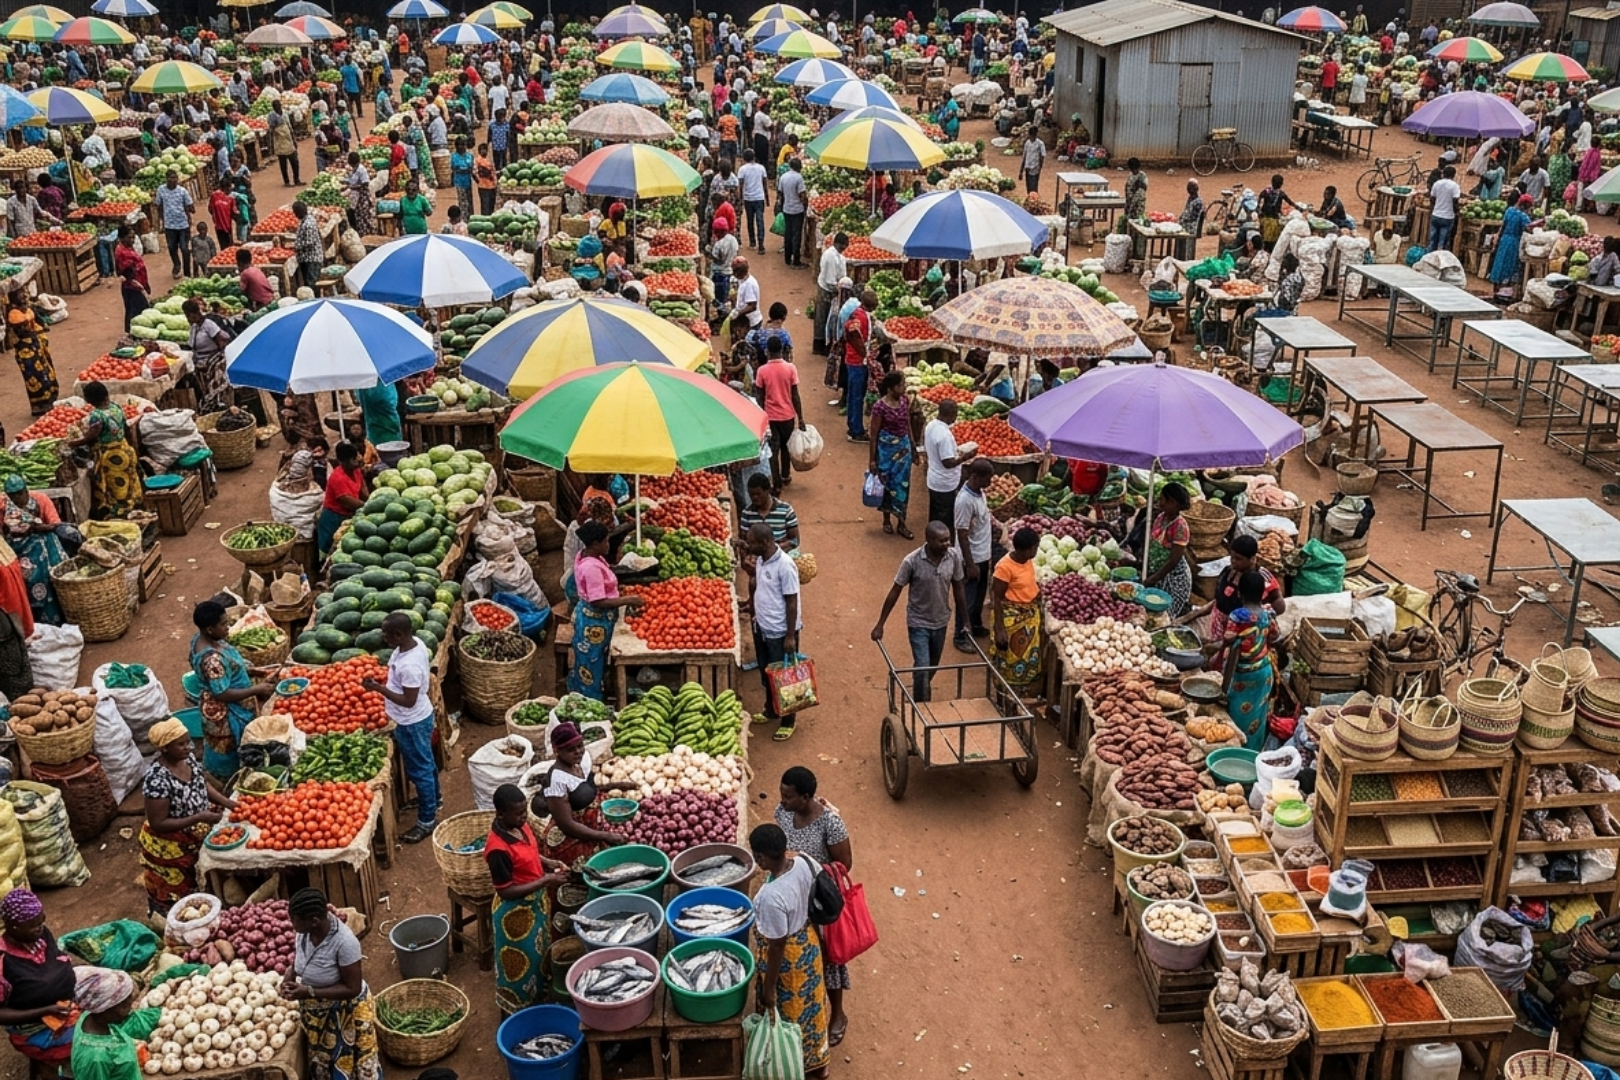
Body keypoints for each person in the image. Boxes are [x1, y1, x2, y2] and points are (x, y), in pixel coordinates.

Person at [773, 768, 855, 1048]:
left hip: (818, 901)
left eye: (788, 796)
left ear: (806, 797)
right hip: (791, 898)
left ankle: (838, 1014)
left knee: (830, 960)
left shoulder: (830, 823)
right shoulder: (783, 813)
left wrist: (806, 864)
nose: (782, 801)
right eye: (782, 794)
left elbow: (844, 865)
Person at [747, 824, 831, 1077]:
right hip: (808, 943)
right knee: (812, 1006)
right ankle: (819, 1061)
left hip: (787, 962)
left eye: (756, 855)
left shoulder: (772, 896)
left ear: (761, 857)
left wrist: (770, 988)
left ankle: (793, 1065)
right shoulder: (802, 862)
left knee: (789, 1014)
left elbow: (777, 944)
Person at [485, 784, 569, 1015]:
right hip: (516, 915)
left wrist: (547, 863)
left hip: (535, 906)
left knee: (538, 958)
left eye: (524, 811)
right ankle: (516, 1011)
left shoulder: (519, 827)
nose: (524, 817)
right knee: (519, 966)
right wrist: (545, 881)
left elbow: (529, 853)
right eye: (519, 813)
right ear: (501, 814)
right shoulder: (497, 849)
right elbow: (506, 891)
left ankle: (538, 1002)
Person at [281, 887, 382, 1080]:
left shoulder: (345, 943)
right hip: (317, 1011)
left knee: (355, 1067)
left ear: (314, 921)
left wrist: (309, 991)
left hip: (345, 1013)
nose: (291, 924)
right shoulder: (304, 933)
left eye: (294, 920)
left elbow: (352, 988)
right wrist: (289, 973)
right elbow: (300, 957)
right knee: (323, 1066)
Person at [139, 717, 234, 915]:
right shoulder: (157, 779)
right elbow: (158, 823)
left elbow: (202, 785)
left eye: (188, 741)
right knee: (179, 890)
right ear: (165, 748)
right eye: (181, 744)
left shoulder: (187, 759)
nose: (188, 747)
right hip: (172, 843)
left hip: (198, 828)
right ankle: (168, 920)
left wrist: (228, 803)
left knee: (203, 876)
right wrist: (198, 817)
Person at [360, 613, 438, 844]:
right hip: (414, 718)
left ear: (399, 634)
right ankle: (435, 799)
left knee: (421, 770)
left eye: (385, 633)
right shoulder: (412, 645)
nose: (382, 637)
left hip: (412, 721)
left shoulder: (410, 666)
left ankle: (426, 821)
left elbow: (408, 700)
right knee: (426, 764)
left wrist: (378, 689)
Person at [871, 520, 967, 701]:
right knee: (923, 666)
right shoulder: (911, 561)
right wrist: (880, 624)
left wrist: (966, 621)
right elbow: (895, 592)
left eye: (948, 539)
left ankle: (920, 687)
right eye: (942, 541)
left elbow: (959, 589)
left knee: (932, 666)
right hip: (918, 622)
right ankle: (922, 707)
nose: (947, 544)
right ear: (929, 540)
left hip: (941, 620)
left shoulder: (953, 557)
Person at [540, 723, 631, 893]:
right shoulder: (557, 780)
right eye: (570, 749)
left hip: (590, 831)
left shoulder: (582, 761)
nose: (578, 752)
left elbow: (587, 789)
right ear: (557, 751)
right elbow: (566, 825)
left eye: (580, 746)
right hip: (570, 841)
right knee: (576, 889)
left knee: (599, 880)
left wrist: (617, 785)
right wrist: (605, 836)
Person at [189, 600, 274, 781]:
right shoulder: (211, 659)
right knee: (228, 749)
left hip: (218, 702)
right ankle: (229, 780)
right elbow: (222, 693)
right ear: (210, 629)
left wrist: (247, 670)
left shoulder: (201, 639)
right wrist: (256, 689)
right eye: (223, 624)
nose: (228, 627)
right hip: (225, 713)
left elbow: (223, 670)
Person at [0, 890, 78, 1071]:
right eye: (33, 925)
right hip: (35, 1026)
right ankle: (54, 1068)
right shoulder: (4, 961)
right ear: (13, 926)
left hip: (67, 1003)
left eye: (41, 921)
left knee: (116, 986)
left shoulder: (40, 935)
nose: (40, 928)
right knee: (91, 1038)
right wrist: (46, 1010)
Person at [568, 520, 646, 700]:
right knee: (592, 662)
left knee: (594, 659)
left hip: (592, 618)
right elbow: (598, 600)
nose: (608, 545)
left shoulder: (589, 556)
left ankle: (588, 690)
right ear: (595, 544)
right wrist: (629, 599)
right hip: (594, 621)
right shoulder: (591, 567)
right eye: (606, 541)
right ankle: (590, 700)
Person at [743, 520, 801, 739]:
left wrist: (789, 636)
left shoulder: (785, 565)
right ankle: (771, 709)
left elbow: (792, 601)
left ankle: (789, 719)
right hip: (762, 626)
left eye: (752, 543)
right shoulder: (761, 559)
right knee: (767, 673)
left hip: (779, 631)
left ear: (766, 541)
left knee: (784, 677)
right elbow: (758, 583)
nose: (750, 546)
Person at [1221, 571, 1280, 753]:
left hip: (1242, 675)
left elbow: (1228, 639)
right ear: (1262, 593)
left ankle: (1234, 753)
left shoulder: (1237, 616)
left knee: (1236, 716)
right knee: (1257, 718)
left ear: (1240, 593)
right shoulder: (1268, 613)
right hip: (1263, 671)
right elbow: (1275, 635)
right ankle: (1252, 756)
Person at [71, 967, 159, 1080]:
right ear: (107, 1008)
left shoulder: (89, 1016)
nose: (131, 1008)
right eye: (125, 1005)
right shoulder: (97, 1058)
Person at [73, 382, 142, 519]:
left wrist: (74, 443)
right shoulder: (116, 407)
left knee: (115, 484)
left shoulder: (97, 416)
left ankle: (120, 512)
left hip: (111, 456)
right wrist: (132, 446)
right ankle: (133, 504)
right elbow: (126, 428)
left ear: (89, 400)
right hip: (124, 449)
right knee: (129, 478)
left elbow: (92, 435)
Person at [1201, 534, 1286, 640]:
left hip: (1240, 633)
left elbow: (1279, 604)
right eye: (1232, 557)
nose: (1233, 561)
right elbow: (1218, 600)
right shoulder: (1228, 571)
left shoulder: (1262, 578)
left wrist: (1261, 619)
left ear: (1252, 559)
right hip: (1218, 626)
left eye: (1238, 559)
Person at [2, 475, 62, 625]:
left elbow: (55, 525)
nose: (17, 499)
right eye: (13, 496)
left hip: (39, 545)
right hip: (17, 550)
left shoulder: (40, 500)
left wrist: (36, 527)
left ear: (26, 491)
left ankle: (53, 617)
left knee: (45, 563)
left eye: (20, 494)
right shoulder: (4, 507)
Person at [990, 525, 1043, 689]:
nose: (1036, 550)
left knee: (1027, 657)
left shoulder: (1026, 561)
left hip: (1028, 617)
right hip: (1013, 620)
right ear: (1028, 549)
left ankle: (1023, 688)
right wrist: (999, 629)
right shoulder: (1004, 567)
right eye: (1035, 547)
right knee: (1011, 658)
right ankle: (1006, 693)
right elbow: (996, 598)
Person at [869, 370, 919, 539]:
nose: (903, 388)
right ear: (890, 389)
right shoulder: (880, 407)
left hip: (903, 451)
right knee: (887, 483)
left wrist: (913, 447)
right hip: (886, 451)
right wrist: (872, 460)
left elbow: (908, 425)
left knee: (902, 485)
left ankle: (902, 523)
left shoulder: (905, 401)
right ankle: (886, 519)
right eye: (900, 385)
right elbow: (874, 435)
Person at [954, 458, 994, 650]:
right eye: (988, 478)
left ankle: (975, 625)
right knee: (967, 598)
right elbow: (961, 533)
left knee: (979, 595)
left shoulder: (980, 492)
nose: (991, 482)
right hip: (971, 557)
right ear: (976, 476)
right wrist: (970, 564)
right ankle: (960, 636)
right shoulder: (965, 501)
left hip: (983, 553)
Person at [1142, 481, 1193, 615]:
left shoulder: (1180, 527)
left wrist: (1153, 579)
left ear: (1173, 502)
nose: (1160, 502)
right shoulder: (1161, 517)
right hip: (1157, 570)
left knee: (1164, 614)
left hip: (1172, 577)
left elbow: (1173, 561)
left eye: (1163, 499)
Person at [923, 399, 975, 527]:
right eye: (955, 414)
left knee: (935, 513)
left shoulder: (931, 426)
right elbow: (948, 463)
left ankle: (932, 537)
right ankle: (940, 543)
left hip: (934, 479)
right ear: (950, 414)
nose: (956, 417)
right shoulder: (944, 435)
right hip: (945, 483)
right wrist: (966, 457)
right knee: (944, 518)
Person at [5, 292, 55, 418]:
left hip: (35, 345)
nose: (24, 298)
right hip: (25, 350)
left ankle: (50, 399)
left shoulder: (27, 310)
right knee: (33, 376)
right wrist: (28, 314)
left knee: (45, 372)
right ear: (13, 302)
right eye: (20, 299)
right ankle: (39, 405)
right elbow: (23, 327)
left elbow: (36, 324)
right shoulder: (13, 314)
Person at [317, 442, 368, 557]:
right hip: (333, 518)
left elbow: (362, 489)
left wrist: (371, 500)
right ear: (342, 461)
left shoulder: (355, 470)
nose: (357, 460)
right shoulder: (337, 478)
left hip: (348, 516)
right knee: (329, 550)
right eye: (353, 459)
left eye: (356, 456)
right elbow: (346, 501)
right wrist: (368, 506)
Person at [184, 298, 232, 412]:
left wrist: (213, 361)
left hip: (212, 361)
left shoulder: (209, 325)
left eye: (188, 316)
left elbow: (222, 341)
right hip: (200, 360)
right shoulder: (194, 327)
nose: (187, 319)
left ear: (194, 314)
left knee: (214, 392)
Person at [843, 289, 876, 442]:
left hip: (854, 360)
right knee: (856, 396)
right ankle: (856, 431)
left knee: (854, 395)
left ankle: (853, 425)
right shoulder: (860, 317)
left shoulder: (859, 313)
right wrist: (864, 354)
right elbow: (853, 334)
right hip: (856, 362)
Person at [739, 473, 800, 551]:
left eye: (758, 494)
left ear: (768, 491)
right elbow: (745, 542)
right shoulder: (746, 513)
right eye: (751, 494)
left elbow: (795, 541)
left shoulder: (786, 510)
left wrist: (774, 548)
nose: (755, 497)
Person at [153, 170, 195, 277]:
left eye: (175, 178)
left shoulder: (182, 191)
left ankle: (187, 273)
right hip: (169, 225)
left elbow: (189, 205)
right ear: (166, 178)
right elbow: (159, 206)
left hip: (183, 224)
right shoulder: (161, 190)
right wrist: (162, 220)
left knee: (185, 248)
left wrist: (190, 213)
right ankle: (176, 265)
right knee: (172, 247)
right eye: (171, 178)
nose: (173, 180)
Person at [1490, 193, 1535, 291]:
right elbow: (1529, 229)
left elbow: (1503, 226)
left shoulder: (1509, 210)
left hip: (1504, 240)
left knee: (1500, 262)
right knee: (1510, 265)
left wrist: (1498, 239)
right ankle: (1506, 289)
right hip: (1514, 242)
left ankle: (1496, 286)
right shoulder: (1523, 217)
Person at [114, 225, 150, 332]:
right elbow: (127, 272)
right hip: (132, 287)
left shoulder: (125, 247)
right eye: (129, 237)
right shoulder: (123, 252)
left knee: (131, 310)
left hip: (133, 285)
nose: (132, 240)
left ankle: (130, 332)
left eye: (133, 237)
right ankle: (133, 333)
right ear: (121, 238)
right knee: (138, 311)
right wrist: (141, 286)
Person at [777, 156, 808, 266]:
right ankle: (796, 260)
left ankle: (787, 258)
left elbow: (780, 193)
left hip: (787, 208)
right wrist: (805, 204)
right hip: (797, 210)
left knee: (788, 233)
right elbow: (802, 195)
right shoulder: (799, 178)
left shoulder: (783, 177)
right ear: (799, 167)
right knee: (796, 235)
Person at [1257, 174, 1296, 248]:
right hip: (1274, 220)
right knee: (1272, 240)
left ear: (1271, 182)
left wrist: (1258, 210)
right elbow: (1291, 203)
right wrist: (1301, 209)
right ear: (1281, 184)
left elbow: (1259, 198)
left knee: (1264, 238)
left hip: (1264, 218)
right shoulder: (1281, 194)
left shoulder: (1266, 191)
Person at [1428, 165, 1461, 252]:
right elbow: (1455, 201)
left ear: (1443, 174)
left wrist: (1434, 208)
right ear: (1453, 175)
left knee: (1432, 240)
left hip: (1436, 215)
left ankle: (1428, 257)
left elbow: (1432, 199)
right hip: (1448, 217)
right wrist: (1457, 211)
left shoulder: (1437, 183)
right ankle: (1440, 261)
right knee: (1442, 242)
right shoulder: (1455, 186)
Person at [293, 201, 323, 290]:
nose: (295, 215)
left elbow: (310, 242)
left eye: (295, 213)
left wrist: (296, 246)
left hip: (312, 258)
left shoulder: (308, 224)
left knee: (312, 283)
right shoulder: (305, 220)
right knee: (309, 282)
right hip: (307, 258)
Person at [1177, 179, 1204, 260]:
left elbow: (1189, 216)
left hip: (1191, 229)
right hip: (1185, 225)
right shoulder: (1191, 198)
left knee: (1187, 251)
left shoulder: (1198, 202)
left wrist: (1181, 220)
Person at [1019, 128, 1046, 194]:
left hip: (1035, 169)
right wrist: (1021, 171)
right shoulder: (1027, 143)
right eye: (1030, 136)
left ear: (1036, 135)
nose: (1032, 138)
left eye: (1033, 136)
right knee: (1028, 187)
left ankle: (1034, 200)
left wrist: (1040, 167)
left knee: (1033, 187)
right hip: (1027, 168)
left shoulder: (1040, 144)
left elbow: (1042, 156)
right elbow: (1024, 156)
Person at [1124, 157, 1148, 223]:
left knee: (1137, 221)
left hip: (1138, 204)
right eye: (1131, 169)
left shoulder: (1142, 176)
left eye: (1135, 169)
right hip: (1129, 202)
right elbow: (1127, 187)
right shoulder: (1130, 175)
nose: (1133, 171)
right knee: (1128, 221)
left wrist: (1133, 204)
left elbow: (1142, 190)